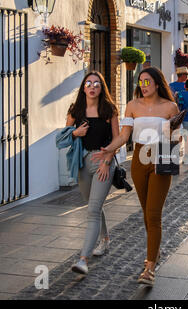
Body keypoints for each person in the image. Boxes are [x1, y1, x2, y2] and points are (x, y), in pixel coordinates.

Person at [92, 67, 179, 286]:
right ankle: (154, 251)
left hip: (161, 158)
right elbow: (123, 135)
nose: (143, 85)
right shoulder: (132, 106)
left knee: (153, 214)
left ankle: (150, 267)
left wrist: (172, 135)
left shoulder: (170, 106)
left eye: (147, 81)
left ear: (157, 83)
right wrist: (108, 150)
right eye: (140, 81)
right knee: (146, 213)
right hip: (139, 162)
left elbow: (175, 137)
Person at [67, 71, 119, 275]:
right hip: (82, 163)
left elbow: (117, 139)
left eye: (97, 84)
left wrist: (107, 161)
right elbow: (64, 135)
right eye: (88, 83)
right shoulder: (76, 110)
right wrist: (74, 132)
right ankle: (105, 239)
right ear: (83, 87)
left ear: (101, 88)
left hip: (102, 162)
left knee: (93, 210)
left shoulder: (109, 110)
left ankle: (83, 259)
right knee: (93, 207)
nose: (92, 87)